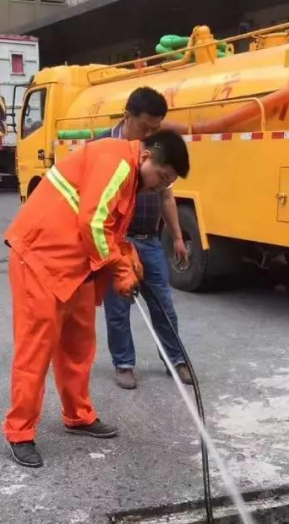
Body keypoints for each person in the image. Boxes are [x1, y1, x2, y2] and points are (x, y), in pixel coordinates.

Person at [3, 130, 190, 468]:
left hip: (75, 266)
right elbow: (94, 222)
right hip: (41, 259)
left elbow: (109, 229)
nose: (159, 187)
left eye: (167, 184)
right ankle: (20, 433)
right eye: (161, 177)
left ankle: (78, 415)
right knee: (36, 351)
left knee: (78, 346)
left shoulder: (131, 176)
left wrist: (127, 254)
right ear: (147, 157)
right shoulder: (117, 162)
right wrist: (121, 269)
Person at [98, 87, 192, 390]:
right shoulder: (103, 146)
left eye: (155, 129)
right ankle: (124, 364)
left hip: (149, 240)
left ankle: (175, 359)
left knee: (163, 304)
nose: (149, 134)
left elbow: (166, 195)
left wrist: (177, 236)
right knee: (118, 306)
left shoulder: (153, 148)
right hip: (118, 240)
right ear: (128, 116)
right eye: (145, 127)